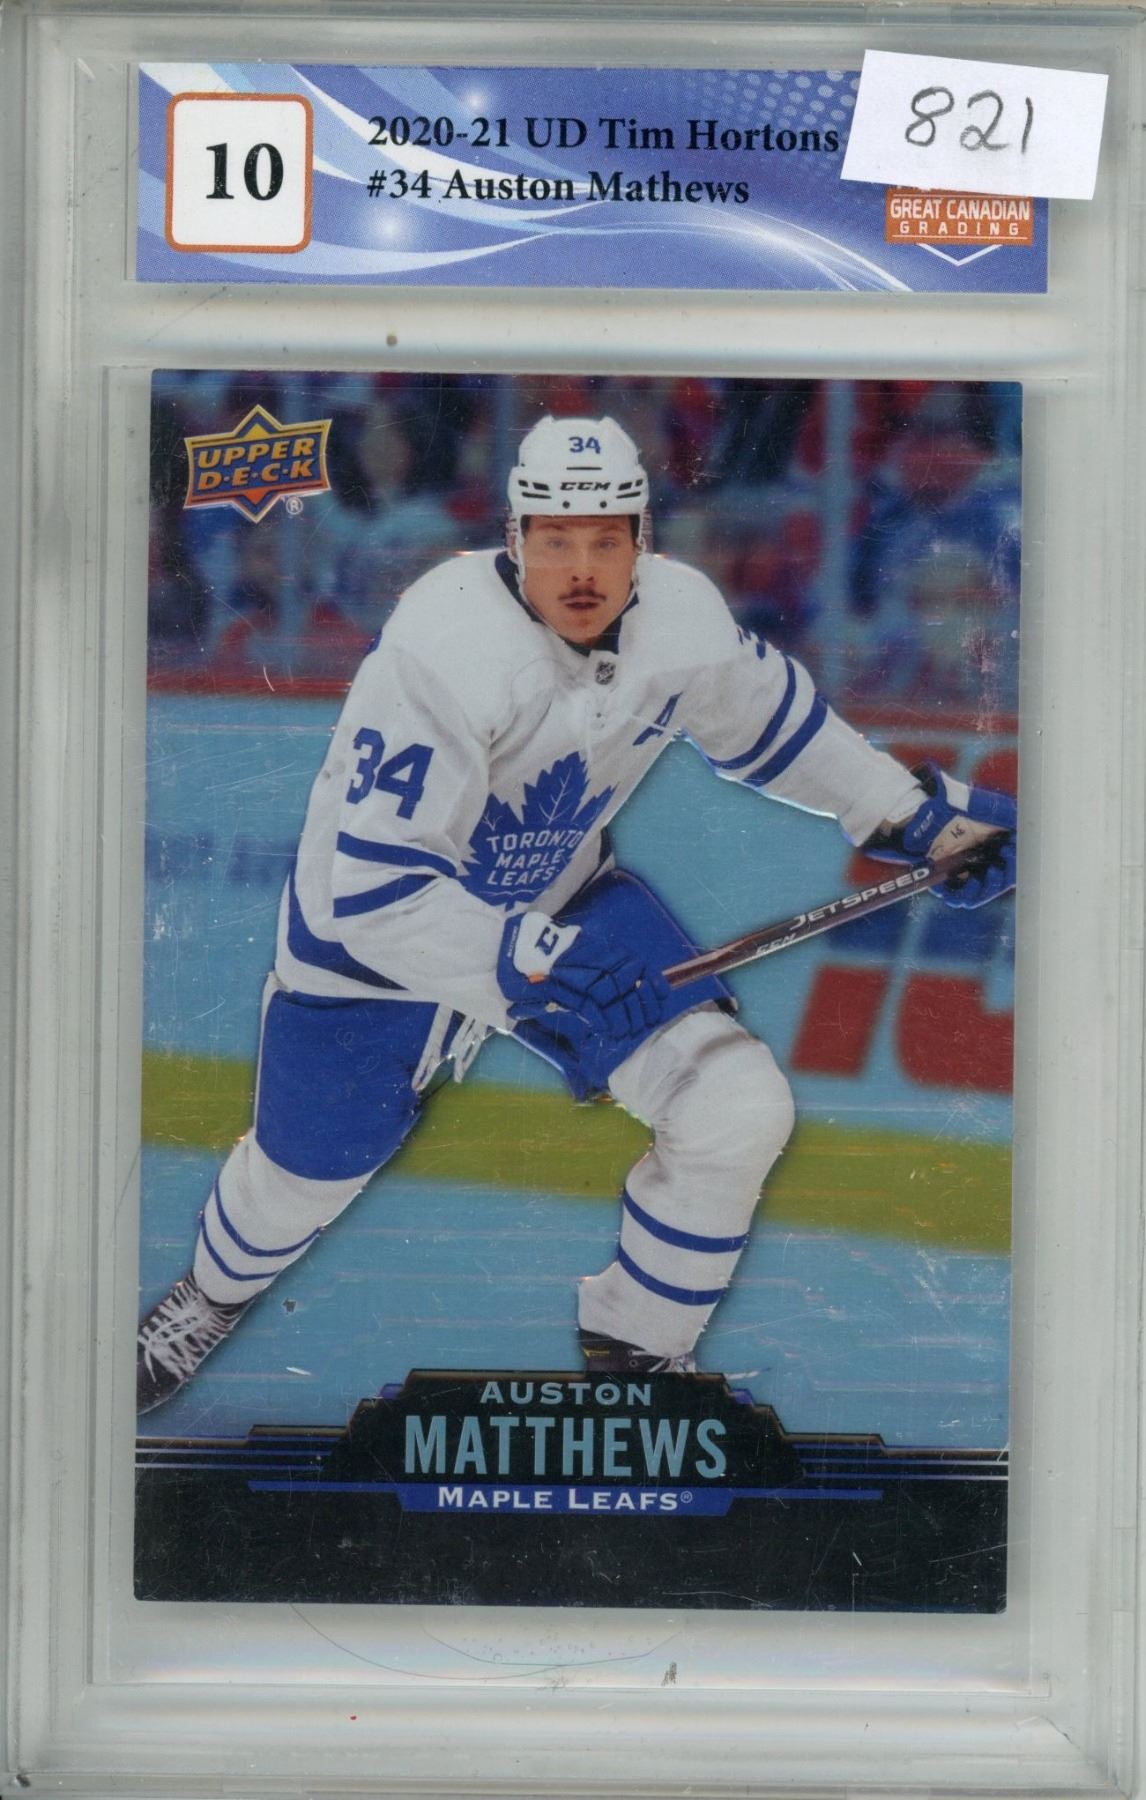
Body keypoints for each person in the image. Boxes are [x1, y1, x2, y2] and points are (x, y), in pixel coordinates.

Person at [137, 416, 1017, 1410]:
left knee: (735, 1103)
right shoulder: (445, 643)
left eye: (606, 539)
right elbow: (376, 894)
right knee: (304, 1177)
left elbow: (776, 722)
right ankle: (207, 1298)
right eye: (555, 540)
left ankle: (638, 1351)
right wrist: (537, 961)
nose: (583, 569)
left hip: (556, 897)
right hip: (374, 945)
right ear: (515, 539)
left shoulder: (680, 617)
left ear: (643, 539)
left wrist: (911, 816)